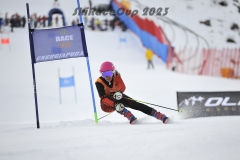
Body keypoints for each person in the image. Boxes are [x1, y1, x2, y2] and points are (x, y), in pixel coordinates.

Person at [95, 61, 169, 124]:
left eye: (109, 73)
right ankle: (127, 114)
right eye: (104, 74)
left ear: (113, 72)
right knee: (115, 104)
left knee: (134, 104)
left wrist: (120, 92)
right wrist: (115, 104)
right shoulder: (99, 82)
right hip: (106, 105)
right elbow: (103, 98)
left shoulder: (116, 76)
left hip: (117, 96)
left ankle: (157, 114)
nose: (107, 76)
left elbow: (122, 86)